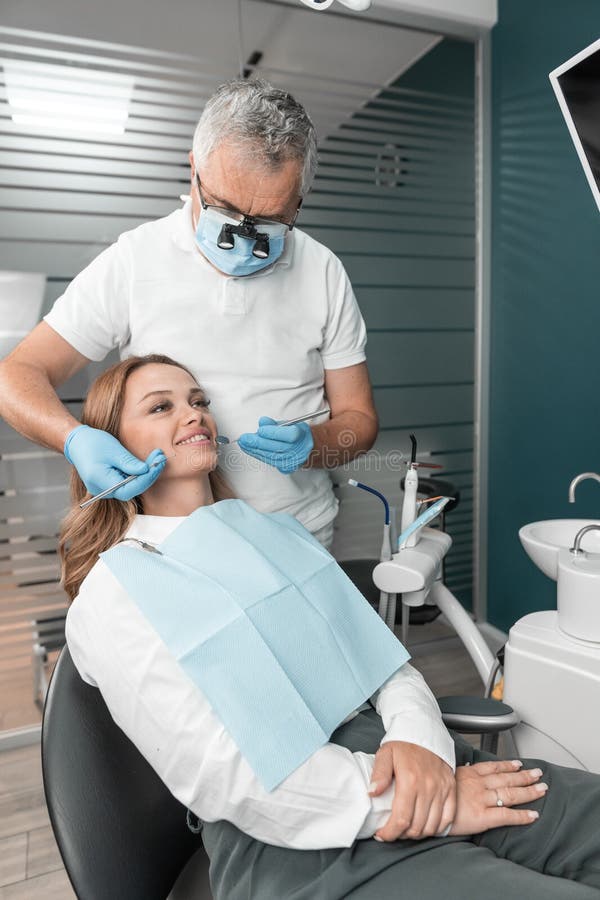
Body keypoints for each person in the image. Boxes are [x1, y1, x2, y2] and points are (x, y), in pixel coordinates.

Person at [63, 354, 600, 900]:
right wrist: (429, 807)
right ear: (110, 444)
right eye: (161, 407)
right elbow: (224, 776)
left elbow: (385, 662)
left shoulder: (275, 534)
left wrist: (423, 748)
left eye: (198, 400)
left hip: (411, 759)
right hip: (295, 830)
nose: (194, 414)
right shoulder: (115, 592)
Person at [0, 79, 378, 548]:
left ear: (297, 202)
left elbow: (358, 420)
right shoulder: (134, 261)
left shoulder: (322, 270)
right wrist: (73, 439)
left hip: (300, 536)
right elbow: (17, 375)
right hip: (173, 543)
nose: (243, 239)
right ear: (193, 169)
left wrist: (315, 446)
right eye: (226, 211)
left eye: (268, 223)